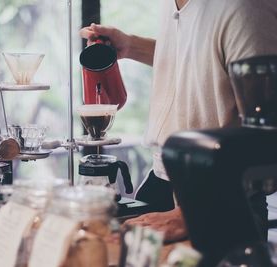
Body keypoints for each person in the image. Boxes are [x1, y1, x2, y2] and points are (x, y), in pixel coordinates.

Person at [80, 0, 277, 242]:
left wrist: (193, 213)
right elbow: (198, 56)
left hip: (220, 197)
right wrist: (132, 46)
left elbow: (267, 140)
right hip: (161, 179)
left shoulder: (246, 8)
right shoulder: (173, 4)